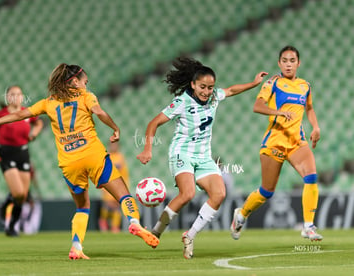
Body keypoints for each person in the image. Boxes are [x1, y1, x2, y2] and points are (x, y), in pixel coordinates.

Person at [0, 64, 159, 259]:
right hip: (93, 154)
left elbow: (20, 114)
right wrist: (115, 128)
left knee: (82, 207)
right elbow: (100, 112)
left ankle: (77, 246)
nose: (86, 86)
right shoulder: (86, 97)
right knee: (123, 195)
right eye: (84, 82)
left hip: (69, 162)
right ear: (74, 82)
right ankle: (135, 223)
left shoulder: (49, 102)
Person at [137, 56, 267, 259]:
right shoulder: (182, 102)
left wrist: (254, 83)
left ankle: (190, 236)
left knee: (219, 194)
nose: (207, 92)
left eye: (210, 87)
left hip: (204, 157)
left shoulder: (215, 96)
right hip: (182, 153)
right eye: (203, 87)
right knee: (187, 194)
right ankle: (155, 232)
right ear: (193, 84)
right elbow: (153, 123)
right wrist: (147, 149)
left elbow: (231, 90)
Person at [230, 45, 322, 241]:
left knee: (312, 177)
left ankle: (308, 226)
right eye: (285, 61)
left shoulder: (305, 86)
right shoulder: (273, 82)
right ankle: (242, 214)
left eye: (292, 61)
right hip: (275, 142)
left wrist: (315, 127)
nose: (288, 64)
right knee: (267, 191)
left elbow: (310, 108)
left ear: (298, 63)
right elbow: (257, 106)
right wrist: (278, 112)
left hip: (297, 141)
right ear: (279, 63)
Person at [0, 85, 43, 237]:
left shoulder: (27, 113)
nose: (16, 97)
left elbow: (39, 122)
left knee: (22, 196)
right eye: (13, 94)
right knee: (18, 192)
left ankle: (11, 226)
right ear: (8, 98)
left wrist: (34, 134)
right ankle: (6, 205)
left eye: (19, 94)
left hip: (23, 153)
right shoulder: (1, 115)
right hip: (6, 154)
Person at [98, 141, 130, 233]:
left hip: (118, 185)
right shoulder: (107, 157)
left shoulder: (120, 157)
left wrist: (125, 186)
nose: (114, 147)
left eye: (115, 145)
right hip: (108, 184)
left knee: (116, 206)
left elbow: (124, 173)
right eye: (112, 145)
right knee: (107, 205)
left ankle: (115, 226)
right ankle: (103, 222)